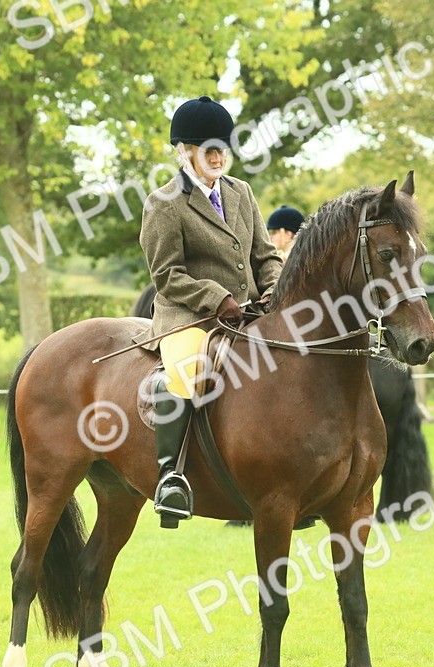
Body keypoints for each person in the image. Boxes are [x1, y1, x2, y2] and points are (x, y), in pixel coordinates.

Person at [136, 96, 284, 527]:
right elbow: (167, 275)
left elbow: (265, 255)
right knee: (191, 371)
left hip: (249, 311)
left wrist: (275, 290)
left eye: (222, 148)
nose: (218, 157)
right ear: (183, 152)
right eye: (208, 150)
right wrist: (216, 298)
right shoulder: (163, 203)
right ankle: (172, 477)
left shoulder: (241, 192)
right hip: (190, 315)